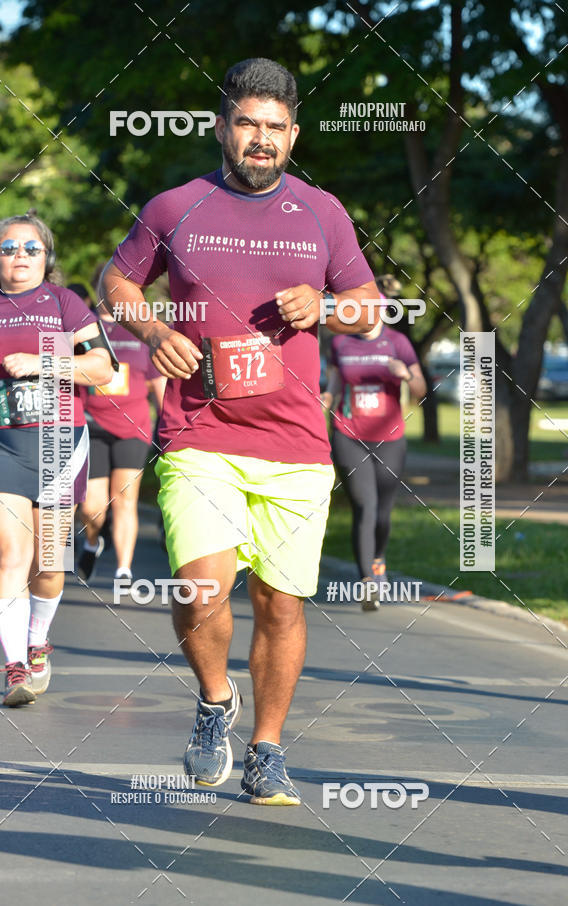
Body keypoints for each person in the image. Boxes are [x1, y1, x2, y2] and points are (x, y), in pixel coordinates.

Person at [99, 57, 379, 805]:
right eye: (248, 123)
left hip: (296, 446)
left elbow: (370, 308)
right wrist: (154, 329)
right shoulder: (174, 207)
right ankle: (214, 698)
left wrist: (326, 308)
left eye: (275, 128)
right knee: (202, 588)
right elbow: (116, 280)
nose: (261, 138)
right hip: (198, 434)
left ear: (294, 136)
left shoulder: (322, 212)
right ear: (222, 127)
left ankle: (267, 748)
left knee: (282, 604)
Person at [0, 214, 113, 706]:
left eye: (32, 248)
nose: (20, 256)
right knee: (10, 554)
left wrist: (42, 362)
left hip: (57, 441)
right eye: (9, 248)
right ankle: (14, 668)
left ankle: (37, 642)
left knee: (49, 564)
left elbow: (102, 369)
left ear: (47, 257)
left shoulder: (64, 303)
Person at [322, 278, 427, 611]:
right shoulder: (341, 343)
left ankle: (378, 559)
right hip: (348, 434)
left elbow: (421, 390)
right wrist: (324, 400)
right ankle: (367, 580)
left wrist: (406, 375)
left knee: (382, 512)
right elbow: (334, 385)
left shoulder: (398, 343)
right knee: (364, 506)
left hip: (390, 439)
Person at [77, 299, 166, 583]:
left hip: (133, 427)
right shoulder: (83, 328)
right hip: (92, 425)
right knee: (92, 507)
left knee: (125, 499)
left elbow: (159, 388)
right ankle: (92, 541)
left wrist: (169, 432)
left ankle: (123, 569)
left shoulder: (142, 331)